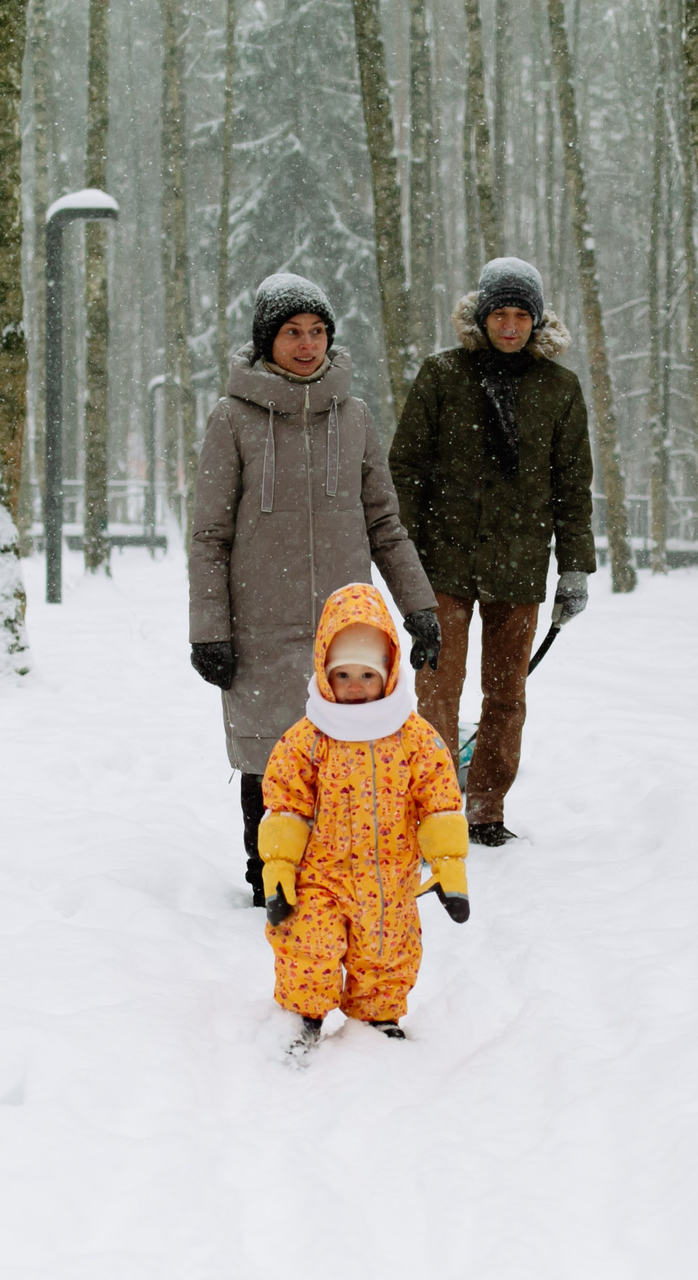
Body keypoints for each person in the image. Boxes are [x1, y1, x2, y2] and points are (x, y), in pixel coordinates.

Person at [190, 273, 442, 905]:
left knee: (345, 752)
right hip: (259, 622)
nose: (307, 345)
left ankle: (333, 876)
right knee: (269, 754)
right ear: (267, 341)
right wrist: (209, 631)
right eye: (292, 333)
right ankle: (268, 877)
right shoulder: (232, 418)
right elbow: (210, 535)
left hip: (343, 628)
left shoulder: (354, 417)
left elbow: (384, 523)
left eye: (318, 332)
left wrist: (418, 606)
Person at [389, 257, 597, 847]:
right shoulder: (442, 375)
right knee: (437, 689)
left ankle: (485, 807)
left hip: (519, 565)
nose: (510, 326)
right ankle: (433, 807)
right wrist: (402, 555)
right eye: (500, 314)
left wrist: (575, 567)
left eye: (521, 315)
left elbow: (572, 484)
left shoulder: (559, 389)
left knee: (506, 695)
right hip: (443, 563)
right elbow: (406, 469)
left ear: (537, 321)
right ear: (481, 317)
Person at [257, 583, 468, 1050]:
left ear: (388, 675)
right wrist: (279, 867)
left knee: (387, 951)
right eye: (343, 674)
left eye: (367, 675)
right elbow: (286, 806)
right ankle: (303, 1013)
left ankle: (377, 1016)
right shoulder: (308, 738)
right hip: (321, 875)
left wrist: (449, 865)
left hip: (390, 876)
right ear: (324, 673)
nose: (355, 686)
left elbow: (439, 803)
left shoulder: (414, 737)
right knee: (308, 944)